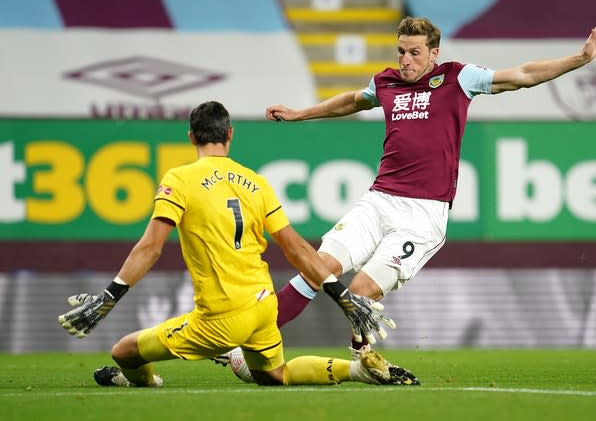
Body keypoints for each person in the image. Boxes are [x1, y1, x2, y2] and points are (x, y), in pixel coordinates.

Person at [264, 16, 596, 357]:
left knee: (360, 292)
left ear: (434, 53)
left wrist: (581, 58)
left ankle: (362, 357)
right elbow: (353, 101)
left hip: (422, 215)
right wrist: (300, 114)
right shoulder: (385, 83)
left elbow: (522, 75)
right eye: (401, 51)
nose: (405, 60)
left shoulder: (459, 77)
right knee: (319, 266)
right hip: (379, 201)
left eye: (414, 52)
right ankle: (250, 339)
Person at [57, 100, 418, 387]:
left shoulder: (179, 179)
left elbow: (150, 248)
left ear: (190, 137)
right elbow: (297, 249)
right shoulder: (255, 181)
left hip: (219, 319)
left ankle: (144, 381)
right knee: (275, 375)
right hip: (264, 308)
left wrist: (108, 298)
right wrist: (342, 296)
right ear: (230, 134)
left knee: (124, 351)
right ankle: (355, 371)